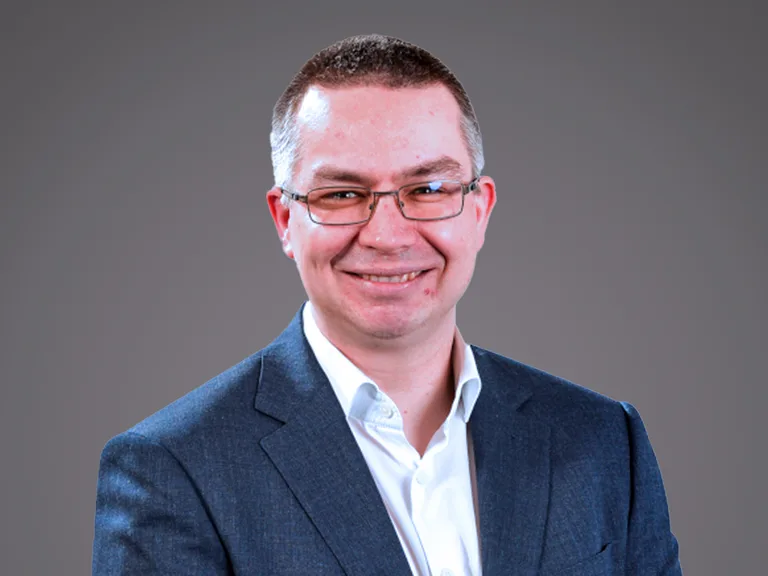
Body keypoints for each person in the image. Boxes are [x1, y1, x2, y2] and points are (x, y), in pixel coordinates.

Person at [92, 34, 681, 575]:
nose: (387, 235)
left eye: (427, 189)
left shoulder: (602, 440)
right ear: (285, 219)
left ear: (479, 210)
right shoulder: (174, 469)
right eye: (342, 193)